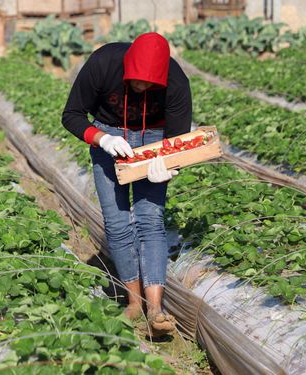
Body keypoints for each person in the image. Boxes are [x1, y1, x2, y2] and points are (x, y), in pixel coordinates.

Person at [62, 32, 191, 335]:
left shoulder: (176, 82)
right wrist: (101, 138)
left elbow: (177, 141)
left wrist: (170, 166)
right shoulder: (103, 63)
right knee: (117, 222)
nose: (143, 87)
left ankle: (156, 308)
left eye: (150, 83)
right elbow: (71, 115)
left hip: (154, 139)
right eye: (137, 80)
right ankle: (133, 302)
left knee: (150, 219)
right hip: (109, 134)